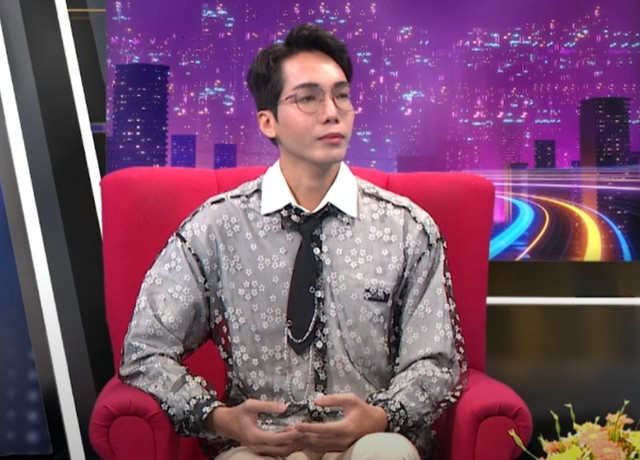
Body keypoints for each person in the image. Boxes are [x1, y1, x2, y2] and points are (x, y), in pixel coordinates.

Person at [119, 23, 467, 460]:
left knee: (385, 454)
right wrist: (218, 417)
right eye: (308, 98)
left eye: (341, 95)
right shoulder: (216, 228)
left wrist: (382, 416)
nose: (332, 112)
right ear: (268, 122)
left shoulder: (407, 228)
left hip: (370, 438)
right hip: (258, 444)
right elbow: (144, 351)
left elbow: (437, 362)